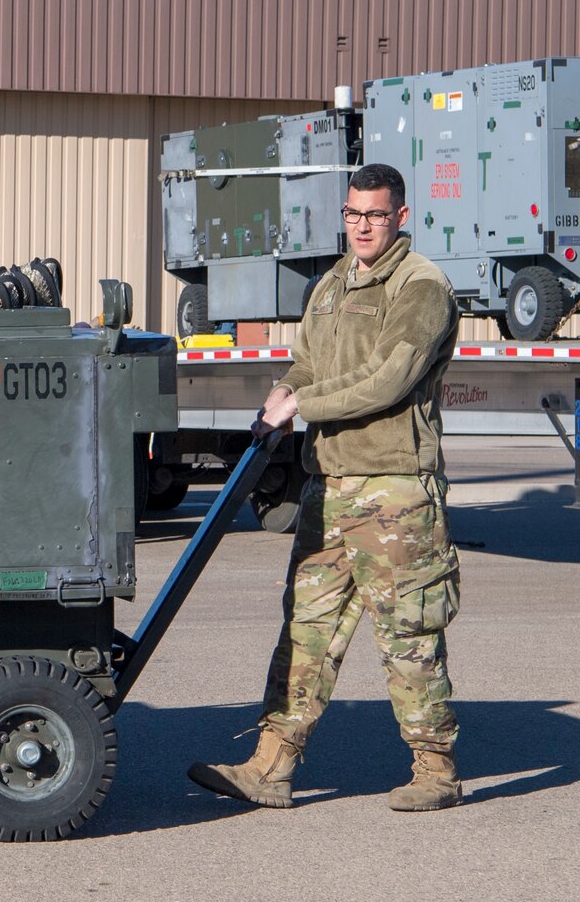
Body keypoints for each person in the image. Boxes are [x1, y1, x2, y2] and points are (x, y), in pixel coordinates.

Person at [190, 162, 465, 813]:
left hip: (394, 489)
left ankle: (436, 769)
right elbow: (310, 361)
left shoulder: (422, 286)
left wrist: (303, 403)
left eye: (374, 215)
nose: (362, 227)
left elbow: (387, 380)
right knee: (307, 630)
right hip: (330, 483)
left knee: (408, 632)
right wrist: (286, 388)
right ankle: (271, 766)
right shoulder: (332, 285)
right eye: (352, 214)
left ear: (400, 217)